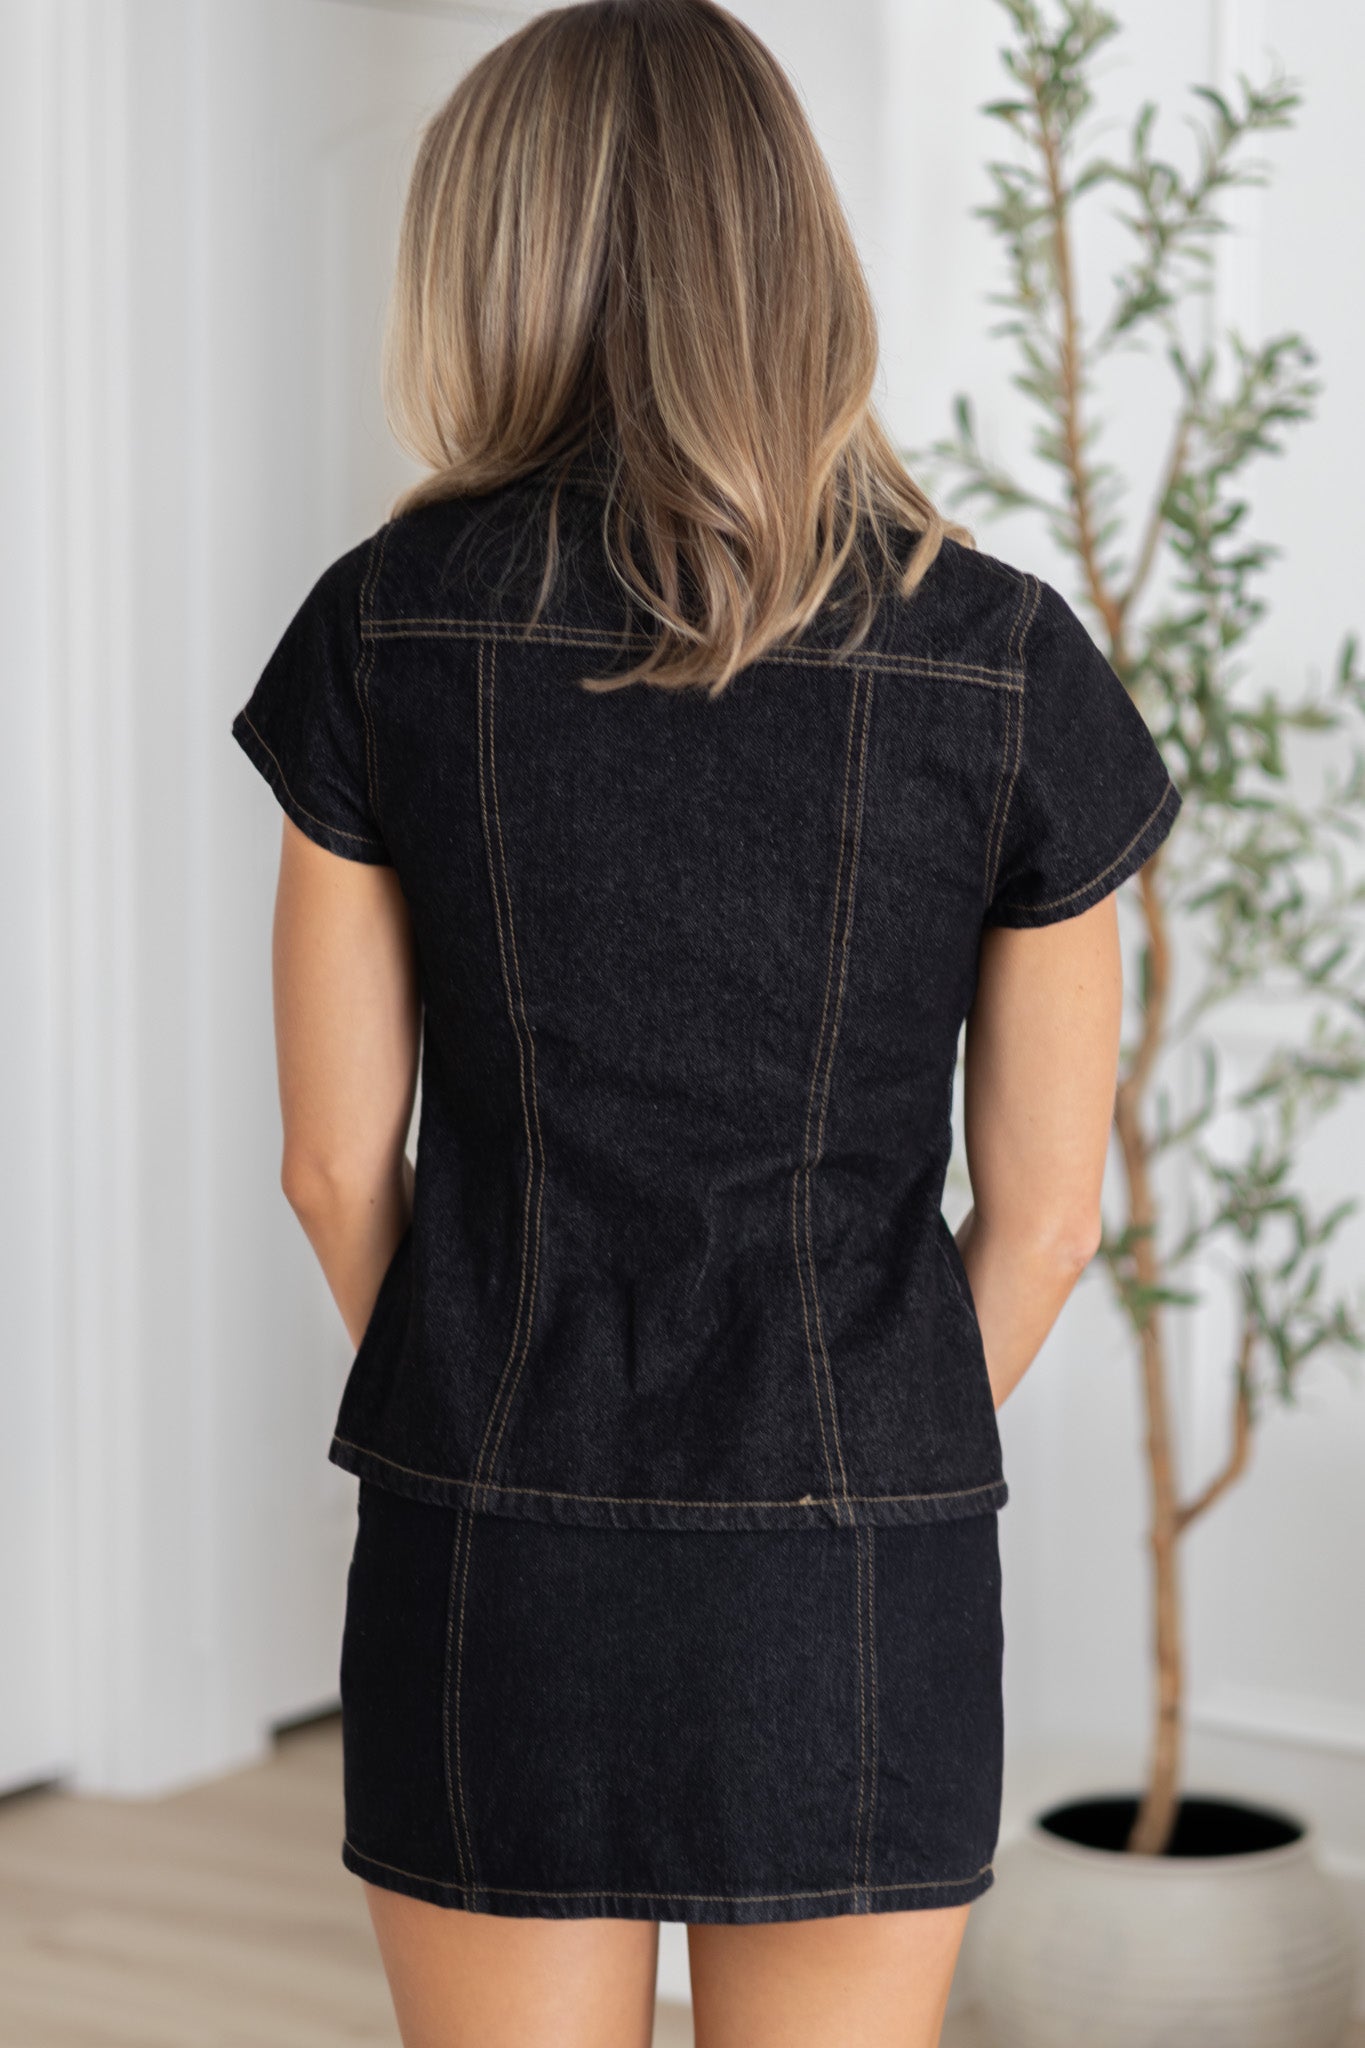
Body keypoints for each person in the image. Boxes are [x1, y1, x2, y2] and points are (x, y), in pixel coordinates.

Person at [229, 2, 1181, 2043]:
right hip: (855, 1560)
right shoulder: (1002, 657)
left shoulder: (382, 625)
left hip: (498, 1539)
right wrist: (845, 1460)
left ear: (494, 257)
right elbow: (1041, 1223)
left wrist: (502, 1415)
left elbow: (329, 1164)